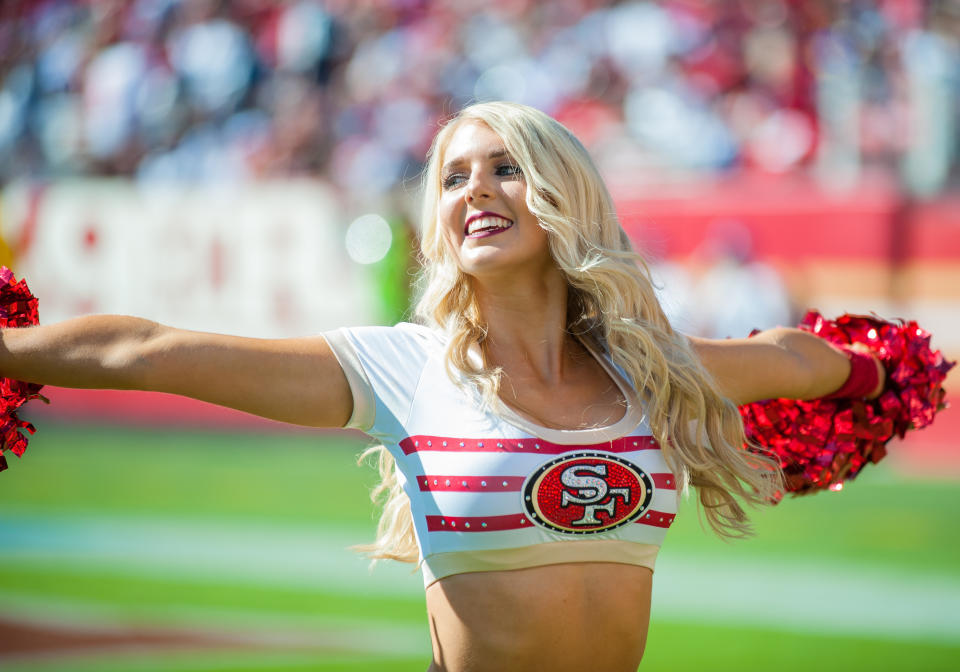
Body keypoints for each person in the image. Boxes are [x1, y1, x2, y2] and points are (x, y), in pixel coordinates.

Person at [0, 102, 884, 672]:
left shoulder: (650, 368)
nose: (475, 192)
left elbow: (793, 359)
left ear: (559, 194)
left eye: (504, 167)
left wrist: (882, 369)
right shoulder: (404, 368)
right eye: (453, 177)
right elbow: (149, 349)